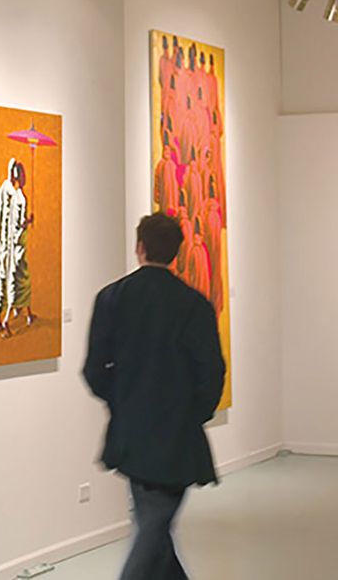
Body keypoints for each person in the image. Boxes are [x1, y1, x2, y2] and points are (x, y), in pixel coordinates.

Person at [83, 213, 225, 580]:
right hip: (177, 436)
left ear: (139, 247)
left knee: (152, 522)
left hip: (132, 434)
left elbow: (95, 370)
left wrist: (124, 401)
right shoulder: (194, 306)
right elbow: (211, 373)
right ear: (176, 253)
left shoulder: (112, 299)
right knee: (154, 524)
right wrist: (191, 414)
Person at [0, 159, 34, 336]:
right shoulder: (18, 197)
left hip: (10, 249)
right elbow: (18, 226)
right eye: (22, 174)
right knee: (17, 281)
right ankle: (5, 320)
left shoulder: (10, 193)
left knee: (18, 281)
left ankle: (22, 313)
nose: (24, 177)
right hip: (15, 249)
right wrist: (28, 222)